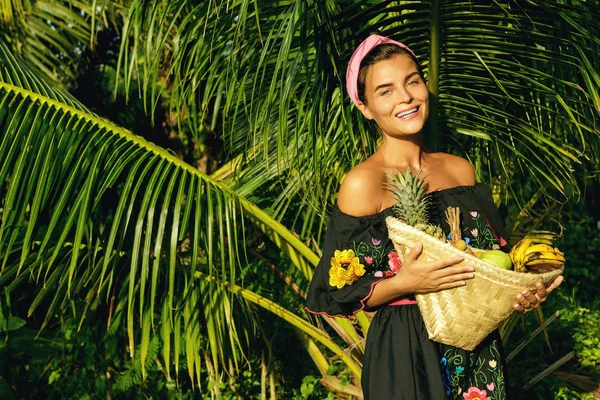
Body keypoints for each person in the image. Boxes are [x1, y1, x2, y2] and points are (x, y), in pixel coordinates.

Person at [305, 34, 563, 400]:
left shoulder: (460, 171)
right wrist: (403, 282)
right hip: (405, 350)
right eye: (386, 91)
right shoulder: (363, 184)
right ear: (365, 108)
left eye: (412, 81)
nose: (406, 97)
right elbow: (336, 291)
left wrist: (522, 292)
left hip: (476, 349)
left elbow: (496, 266)